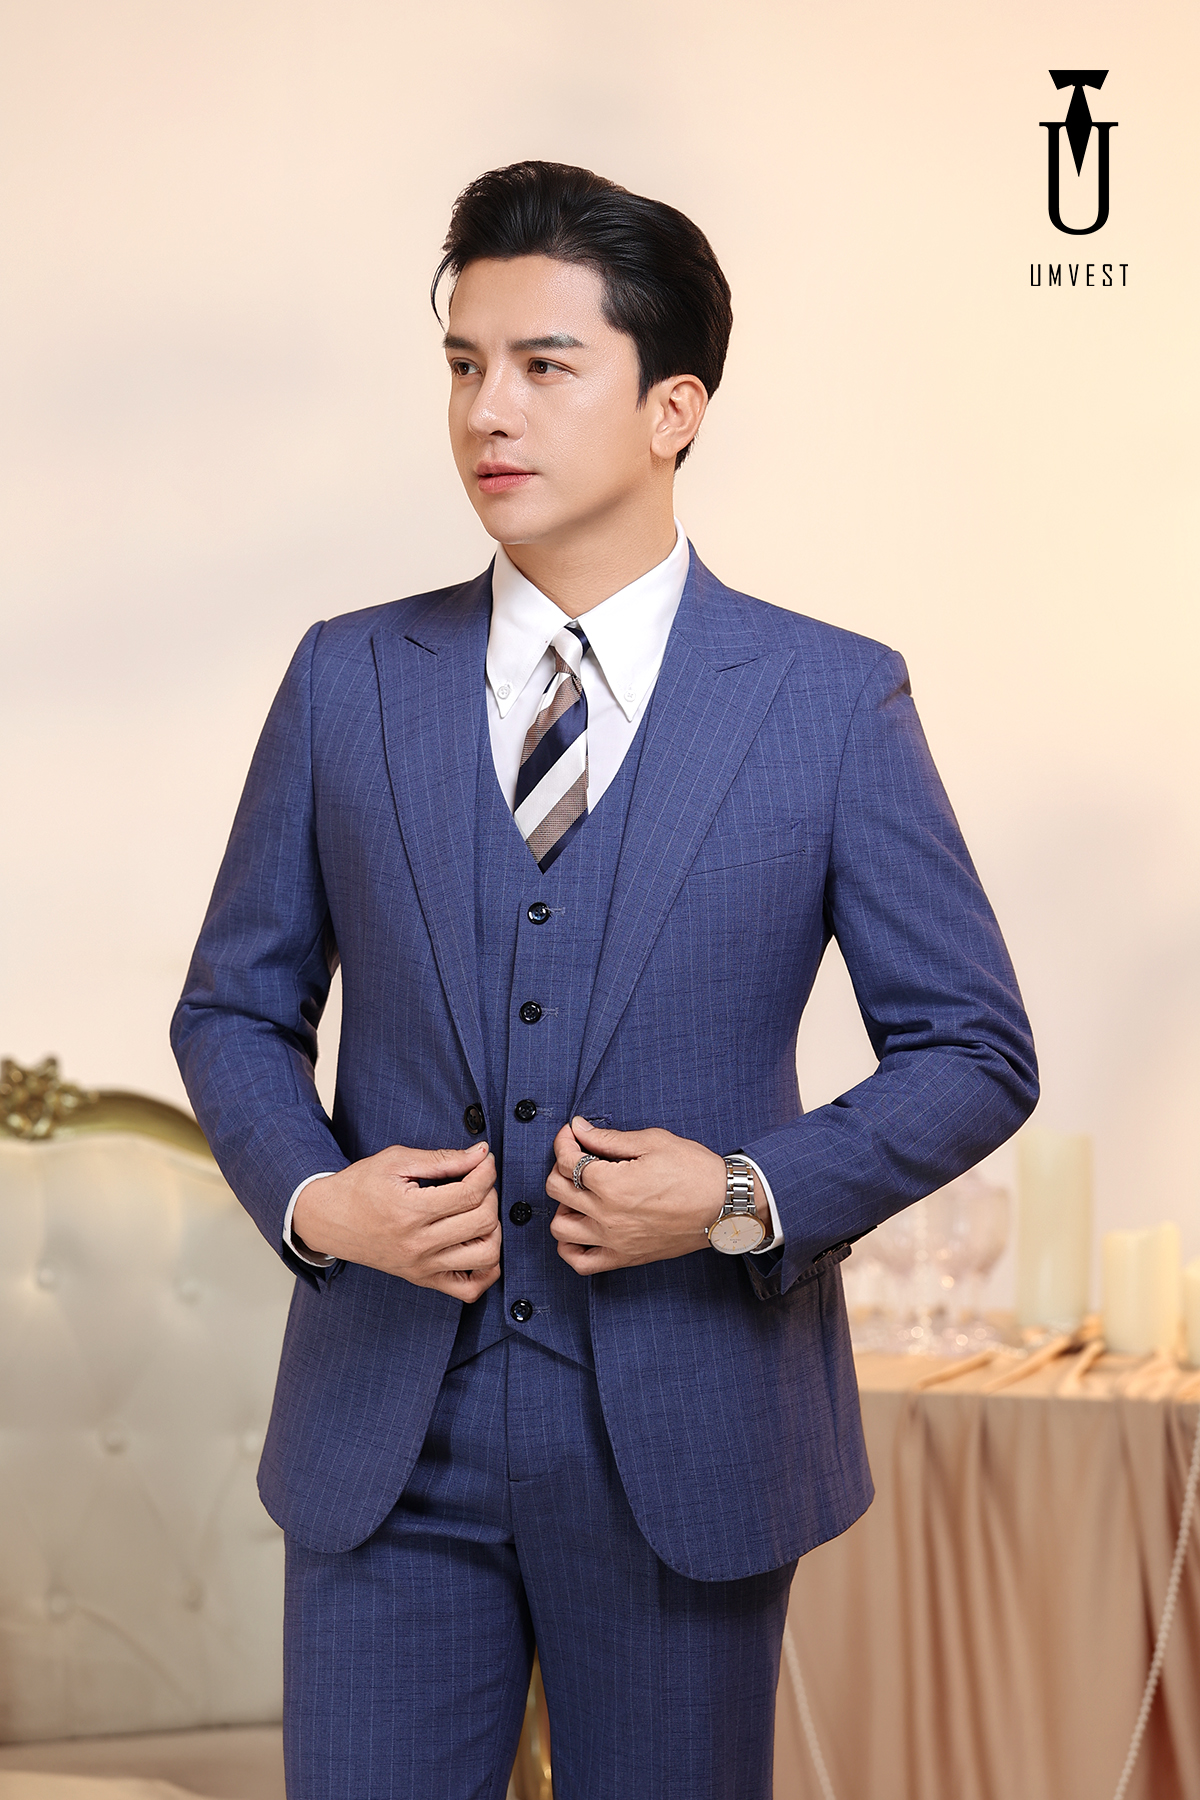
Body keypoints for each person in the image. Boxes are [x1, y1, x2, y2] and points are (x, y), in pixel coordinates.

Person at [172, 161, 1037, 1800]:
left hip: (688, 1439)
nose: (486, 410)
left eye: (543, 365)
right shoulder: (347, 678)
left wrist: (740, 1195)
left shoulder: (828, 702)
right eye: (463, 364)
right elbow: (232, 1008)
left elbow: (975, 1048)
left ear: (672, 409)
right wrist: (317, 1200)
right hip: (386, 1442)